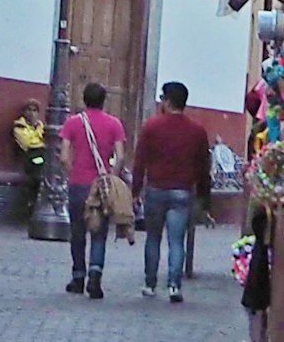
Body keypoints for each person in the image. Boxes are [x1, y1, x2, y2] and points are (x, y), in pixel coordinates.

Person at [130, 82, 213, 301]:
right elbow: (204, 166)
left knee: (153, 238)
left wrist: (135, 190)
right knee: (177, 240)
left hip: (156, 188)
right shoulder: (197, 131)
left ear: (167, 101)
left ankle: (150, 284)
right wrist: (205, 196)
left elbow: (140, 162)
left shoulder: (151, 127)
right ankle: (174, 285)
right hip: (182, 191)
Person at [59, 81, 127, 298]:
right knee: (99, 232)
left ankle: (78, 276)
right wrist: (111, 176)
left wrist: (73, 171)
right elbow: (121, 156)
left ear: (84, 99)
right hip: (101, 185)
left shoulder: (73, 123)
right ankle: (95, 276)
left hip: (79, 183)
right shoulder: (114, 124)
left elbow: (63, 156)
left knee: (77, 232)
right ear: (103, 100)